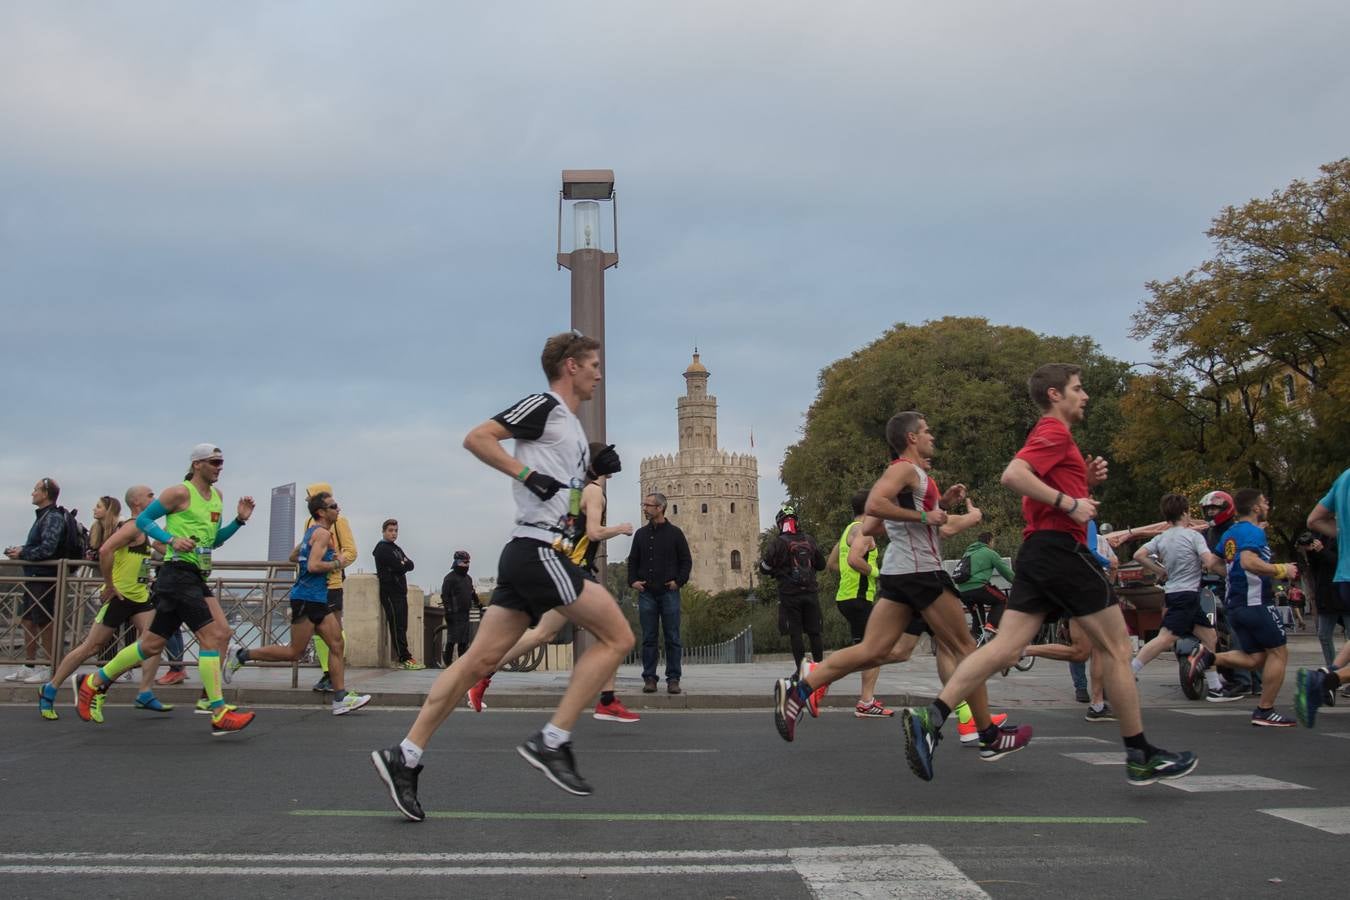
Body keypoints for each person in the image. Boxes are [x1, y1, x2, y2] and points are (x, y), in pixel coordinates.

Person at [370, 331, 636, 821]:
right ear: (571, 366)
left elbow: (565, 498)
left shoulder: (572, 428)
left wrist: (592, 472)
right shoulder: (545, 405)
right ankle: (552, 740)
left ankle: (404, 755)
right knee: (618, 636)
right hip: (537, 550)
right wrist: (524, 475)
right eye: (594, 364)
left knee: (476, 661)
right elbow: (477, 438)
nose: (600, 373)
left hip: (528, 550)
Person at [902, 364, 1196, 785]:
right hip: (1061, 551)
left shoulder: (1057, 439)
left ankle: (931, 718)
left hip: (1040, 551)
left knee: (1005, 648)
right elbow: (1014, 475)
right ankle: (1140, 753)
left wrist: (1082, 487)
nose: (1085, 396)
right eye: (1079, 389)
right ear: (1055, 394)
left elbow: (1042, 492)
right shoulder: (1053, 431)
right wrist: (1069, 502)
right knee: (1115, 649)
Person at [779, 411, 1021, 761]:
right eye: (926, 431)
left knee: (874, 651)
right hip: (921, 573)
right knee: (967, 650)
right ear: (911, 438)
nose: (931, 435)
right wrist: (937, 516)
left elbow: (874, 525)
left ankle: (799, 691)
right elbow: (877, 505)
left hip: (898, 574)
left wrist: (940, 505)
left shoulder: (916, 478)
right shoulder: (904, 470)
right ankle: (986, 734)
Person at [73, 444, 256, 736]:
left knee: (151, 645)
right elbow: (145, 520)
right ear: (197, 464)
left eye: (221, 462)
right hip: (176, 573)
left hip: (194, 574)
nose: (220, 467)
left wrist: (239, 521)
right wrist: (171, 539)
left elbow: (215, 540)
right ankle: (218, 709)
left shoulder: (218, 498)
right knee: (214, 635)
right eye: (214, 462)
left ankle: (93, 682)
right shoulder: (179, 493)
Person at [467, 442, 638, 723]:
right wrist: (619, 529)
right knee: (611, 635)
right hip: (574, 574)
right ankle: (605, 701)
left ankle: (483, 676)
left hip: (565, 567)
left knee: (545, 635)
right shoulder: (594, 492)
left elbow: (570, 527)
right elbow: (593, 532)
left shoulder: (576, 491)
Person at [225, 492, 371, 716]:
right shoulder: (322, 534)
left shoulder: (312, 533)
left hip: (317, 599)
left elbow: (294, 556)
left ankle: (340, 698)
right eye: (333, 506)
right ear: (321, 512)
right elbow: (313, 566)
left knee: (336, 644)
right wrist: (336, 563)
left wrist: (310, 557)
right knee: (295, 652)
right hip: (306, 598)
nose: (338, 509)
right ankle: (242, 655)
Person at [39, 485, 170, 720]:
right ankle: (50, 689)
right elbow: (105, 551)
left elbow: (161, 547)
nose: (155, 498)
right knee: (92, 647)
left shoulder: (146, 527)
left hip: (140, 596)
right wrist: (109, 585)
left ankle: (145, 692)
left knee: (153, 642)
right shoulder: (131, 527)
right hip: (119, 596)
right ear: (137, 502)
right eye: (150, 495)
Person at [1189, 488, 1298, 726]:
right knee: (1279, 653)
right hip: (1256, 602)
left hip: (1236, 604)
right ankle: (1265, 710)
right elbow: (1249, 562)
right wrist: (1282, 569)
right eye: (1264, 501)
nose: (1267, 505)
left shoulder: (1232, 532)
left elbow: (1213, 562)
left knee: (1256, 658)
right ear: (1256, 507)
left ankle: (1208, 658)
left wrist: (1232, 576)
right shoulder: (1252, 532)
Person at [1129, 494, 1229, 700]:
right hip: (1187, 594)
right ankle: (1129, 671)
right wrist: (1228, 569)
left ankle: (1215, 686)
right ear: (1185, 512)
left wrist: (1159, 571)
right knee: (1166, 638)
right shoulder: (1193, 536)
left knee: (1210, 637)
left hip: (1176, 593)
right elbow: (1209, 561)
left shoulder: (1161, 538)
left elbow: (1138, 555)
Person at [1294, 467, 1350, 727]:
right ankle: (1328, 679)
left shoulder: (1344, 478)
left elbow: (1314, 519)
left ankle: (1327, 676)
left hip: (1344, 576)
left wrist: (1344, 536)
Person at [829, 489, 892, 717]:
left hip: (846, 597)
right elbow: (854, 559)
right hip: (859, 598)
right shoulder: (864, 532)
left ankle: (864, 698)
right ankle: (865, 700)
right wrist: (876, 573)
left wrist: (850, 575)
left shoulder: (847, 531)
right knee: (874, 650)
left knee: (863, 650)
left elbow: (832, 562)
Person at [627, 492, 692, 694]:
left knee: (673, 637)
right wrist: (633, 582)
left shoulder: (675, 534)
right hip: (647, 593)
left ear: (660, 508)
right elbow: (633, 561)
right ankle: (649, 678)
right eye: (644, 504)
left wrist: (678, 582)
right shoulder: (640, 534)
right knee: (649, 638)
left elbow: (686, 561)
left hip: (668, 593)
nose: (644, 508)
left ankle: (673, 679)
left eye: (648, 505)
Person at [4, 477, 67, 685]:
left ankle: (49, 667)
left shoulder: (53, 517)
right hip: (34, 576)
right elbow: (39, 545)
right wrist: (22, 550)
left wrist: (23, 553)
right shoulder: (43, 516)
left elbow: (48, 549)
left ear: (46, 493)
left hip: (44, 576)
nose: (32, 493)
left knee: (44, 621)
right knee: (29, 620)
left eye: (36, 489)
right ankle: (29, 664)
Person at [760, 503, 827, 688]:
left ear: (779, 523)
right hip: (811, 592)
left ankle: (801, 671)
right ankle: (820, 669)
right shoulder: (809, 540)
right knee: (815, 632)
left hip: (790, 594)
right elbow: (821, 564)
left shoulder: (778, 543)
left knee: (795, 633)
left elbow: (764, 568)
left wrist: (778, 569)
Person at [305, 482, 357, 692]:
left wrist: (338, 561)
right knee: (318, 630)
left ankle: (335, 675)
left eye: (309, 496)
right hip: (312, 584)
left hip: (332, 583)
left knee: (334, 630)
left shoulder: (339, 522)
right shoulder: (309, 521)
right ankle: (327, 672)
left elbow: (351, 551)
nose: (307, 500)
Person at [373, 519, 423, 670]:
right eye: (390, 530)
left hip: (400, 592)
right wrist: (402, 564)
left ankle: (405, 656)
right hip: (390, 592)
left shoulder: (396, 548)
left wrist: (403, 564)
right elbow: (398, 566)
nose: (393, 533)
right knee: (397, 626)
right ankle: (404, 657)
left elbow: (410, 565)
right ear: (383, 531)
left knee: (402, 625)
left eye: (395, 530)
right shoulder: (382, 549)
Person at [954, 531, 1013, 638]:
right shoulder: (989, 553)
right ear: (990, 540)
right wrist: (1019, 583)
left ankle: (975, 642)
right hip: (978, 587)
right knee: (1002, 600)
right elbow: (1006, 572)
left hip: (963, 591)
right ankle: (992, 624)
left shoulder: (968, 553)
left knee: (978, 617)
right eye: (993, 541)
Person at [1298, 531, 1344, 667]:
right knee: (1324, 635)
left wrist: (1322, 551)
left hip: (1343, 590)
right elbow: (1316, 567)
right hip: (1326, 594)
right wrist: (1311, 552)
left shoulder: (1344, 535)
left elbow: (1339, 562)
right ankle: (1333, 671)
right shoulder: (1321, 536)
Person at [441, 550, 480, 665]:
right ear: (457, 562)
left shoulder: (468, 578)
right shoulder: (449, 578)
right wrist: (448, 611)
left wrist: (478, 602)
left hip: (465, 614)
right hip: (454, 613)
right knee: (452, 641)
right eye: (464, 562)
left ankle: (461, 666)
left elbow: (472, 592)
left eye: (468, 563)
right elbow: (445, 595)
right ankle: (448, 665)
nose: (466, 565)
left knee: (464, 642)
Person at [86, 495, 123, 560]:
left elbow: (111, 553)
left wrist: (95, 555)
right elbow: (88, 552)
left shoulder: (121, 527)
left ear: (109, 510)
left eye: (98, 507)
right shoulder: (95, 527)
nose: (94, 509)